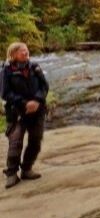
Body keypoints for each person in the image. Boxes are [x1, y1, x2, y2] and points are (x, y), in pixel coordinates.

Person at [1, 42, 47, 189]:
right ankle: (12, 174)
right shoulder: (6, 71)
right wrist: (24, 103)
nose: (26, 53)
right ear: (13, 54)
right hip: (17, 112)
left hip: (37, 110)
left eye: (27, 50)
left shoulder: (35, 67)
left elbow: (44, 86)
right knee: (15, 143)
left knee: (36, 140)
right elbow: (5, 93)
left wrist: (37, 101)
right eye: (22, 51)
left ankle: (27, 169)